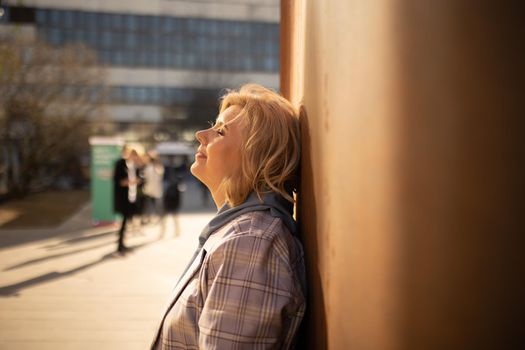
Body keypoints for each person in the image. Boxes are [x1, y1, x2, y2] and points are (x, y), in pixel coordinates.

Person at [151, 84, 306, 349]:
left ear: (255, 155)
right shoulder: (240, 233)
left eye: (220, 130)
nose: (201, 134)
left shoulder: (250, 243)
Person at [113, 146, 141, 254]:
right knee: (123, 223)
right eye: (133, 155)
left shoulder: (132, 166)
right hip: (123, 199)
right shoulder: (120, 164)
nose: (135, 158)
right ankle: (119, 247)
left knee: (126, 223)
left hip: (131, 198)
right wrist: (132, 181)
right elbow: (118, 181)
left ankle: (122, 244)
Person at [142, 150, 165, 224]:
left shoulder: (156, 166)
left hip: (155, 191)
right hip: (148, 190)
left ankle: (160, 220)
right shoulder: (147, 166)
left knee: (158, 207)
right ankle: (149, 219)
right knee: (148, 207)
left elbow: (160, 175)